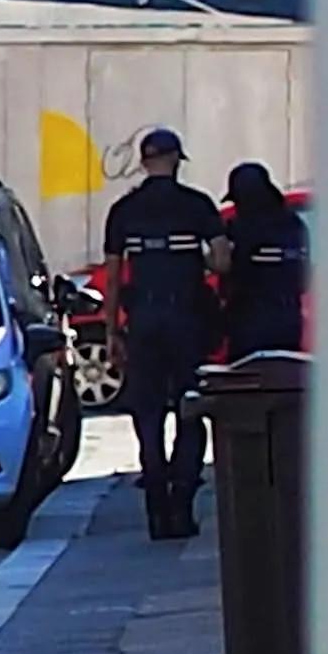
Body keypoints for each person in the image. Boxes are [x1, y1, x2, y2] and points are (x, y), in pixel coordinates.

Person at [102, 126, 223, 539]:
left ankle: (155, 499)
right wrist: (200, 262)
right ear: (175, 160)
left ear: (143, 161)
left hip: (144, 320)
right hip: (186, 319)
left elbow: (115, 278)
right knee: (191, 407)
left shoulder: (124, 210)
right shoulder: (197, 206)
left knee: (148, 410)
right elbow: (222, 260)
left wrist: (112, 333)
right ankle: (183, 502)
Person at [213, 161, 309, 360]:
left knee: (246, 383)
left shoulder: (240, 227)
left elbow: (228, 268)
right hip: (289, 319)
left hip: (249, 322)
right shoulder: (294, 224)